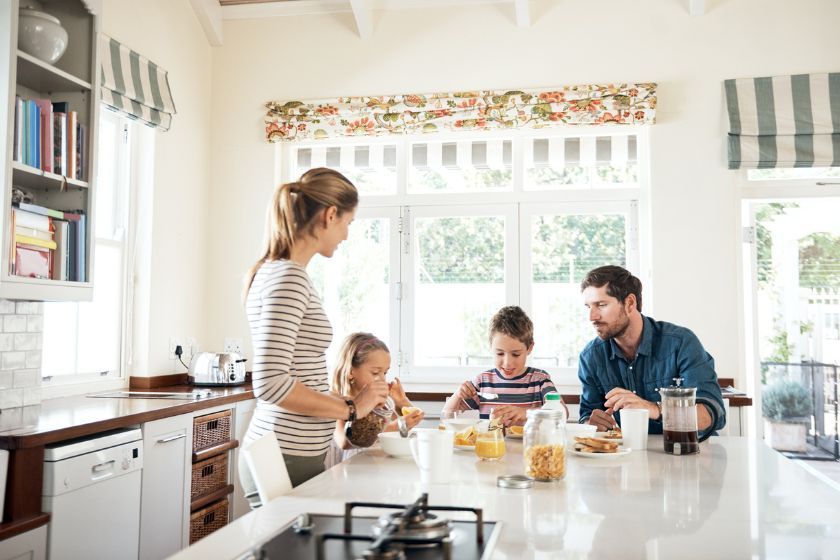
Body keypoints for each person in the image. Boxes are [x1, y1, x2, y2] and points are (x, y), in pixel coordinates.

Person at [239, 168, 389, 508]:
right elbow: (270, 383)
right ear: (330, 215)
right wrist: (352, 407)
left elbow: (294, 373)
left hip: (290, 451)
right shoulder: (289, 278)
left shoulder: (277, 272)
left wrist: (342, 398)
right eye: (348, 223)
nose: (346, 235)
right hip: (284, 453)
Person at [577, 265, 726, 437]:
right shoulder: (591, 356)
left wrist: (653, 409)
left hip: (689, 449)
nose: (592, 317)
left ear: (630, 303)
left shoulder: (681, 343)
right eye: (588, 307)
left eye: (601, 305)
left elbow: (711, 415)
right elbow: (587, 416)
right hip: (630, 451)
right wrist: (591, 424)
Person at [442, 306, 565, 426]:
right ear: (491, 347)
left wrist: (527, 413)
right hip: (491, 440)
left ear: (529, 348)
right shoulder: (483, 382)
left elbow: (563, 413)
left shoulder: (540, 380)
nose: (507, 363)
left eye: (516, 354)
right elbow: (447, 417)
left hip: (530, 440)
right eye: (500, 353)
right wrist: (458, 395)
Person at [327, 333, 425, 465]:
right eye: (375, 373)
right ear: (350, 372)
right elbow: (343, 442)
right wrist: (396, 426)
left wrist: (402, 402)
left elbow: (407, 432)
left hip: (377, 467)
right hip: (351, 469)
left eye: (385, 372)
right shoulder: (341, 403)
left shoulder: (381, 404)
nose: (383, 379)